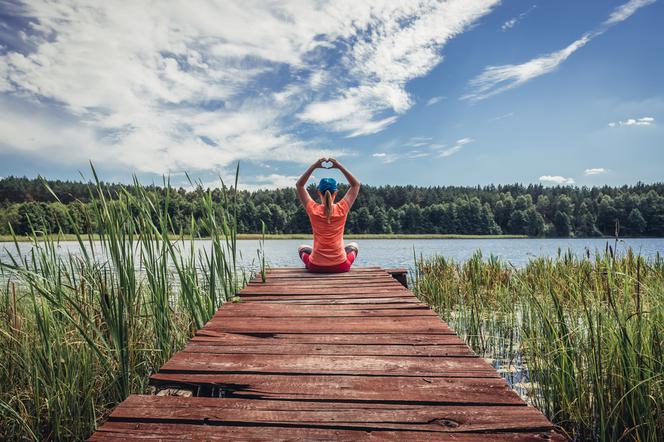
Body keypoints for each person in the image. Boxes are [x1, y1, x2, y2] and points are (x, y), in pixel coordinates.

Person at [295, 157, 360, 273]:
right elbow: (356, 185)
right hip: (341, 266)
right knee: (354, 245)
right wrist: (338, 166)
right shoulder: (342, 208)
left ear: (319, 192)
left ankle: (314, 259)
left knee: (302, 248)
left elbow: (299, 185)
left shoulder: (313, 209)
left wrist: (315, 166)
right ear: (336, 192)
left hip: (315, 266)